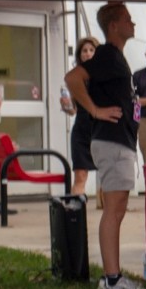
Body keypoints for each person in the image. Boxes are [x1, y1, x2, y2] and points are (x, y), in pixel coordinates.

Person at [65, 2, 146, 289]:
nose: (133, 23)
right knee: (114, 210)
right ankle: (112, 279)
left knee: (118, 208)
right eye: (127, 19)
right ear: (113, 25)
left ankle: (113, 276)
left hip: (119, 141)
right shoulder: (108, 55)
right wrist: (95, 110)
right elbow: (73, 78)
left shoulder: (115, 58)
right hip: (111, 141)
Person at [61, 37, 100, 197]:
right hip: (82, 130)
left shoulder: (104, 76)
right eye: (84, 51)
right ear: (79, 55)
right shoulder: (75, 77)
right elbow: (73, 110)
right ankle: (75, 216)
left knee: (109, 177)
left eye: (91, 50)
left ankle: (110, 215)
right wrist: (66, 105)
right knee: (80, 176)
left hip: (101, 130)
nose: (88, 54)